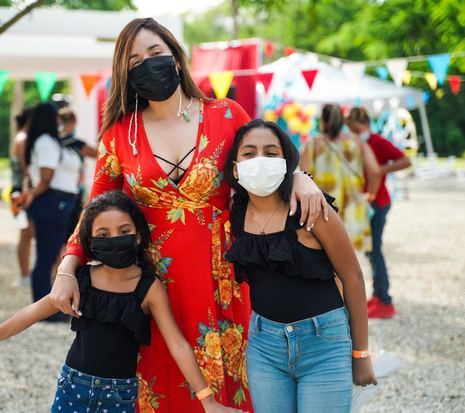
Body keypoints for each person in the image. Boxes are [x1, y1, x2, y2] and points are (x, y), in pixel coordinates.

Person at [49, 18, 331, 411]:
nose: (147, 63)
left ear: (176, 59)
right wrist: (67, 269)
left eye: (155, 53)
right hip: (156, 286)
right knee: (165, 384)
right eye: (134, 60)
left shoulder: (226, 115)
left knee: (240, 386)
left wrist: (300, 176)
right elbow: (94, 210)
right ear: (125, 74)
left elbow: (267, 157)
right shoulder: (119, 135)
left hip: (226, 276)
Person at [0, 191, 245, 413]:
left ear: (138, 235)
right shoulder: (81, 280)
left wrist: (208, 400)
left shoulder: (149, 288)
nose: (115, 239)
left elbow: (178, 344)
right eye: (103, 235)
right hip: (73, 386)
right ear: (90, 240)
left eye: (124, 231)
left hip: (120, 395)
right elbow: (33, 312)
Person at [223, 119, 377, 412]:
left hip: (324, 345)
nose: (260, 161)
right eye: (249, 153)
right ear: (235, 168)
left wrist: (361, 353)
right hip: (264, 347)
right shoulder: (237, 211)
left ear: (286, 164)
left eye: (271, 153)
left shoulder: (312, 209)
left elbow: (353, 277)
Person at [347, 107, 411, 319]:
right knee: (369, 251)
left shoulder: (377, 142)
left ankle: (384, 300)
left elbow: (405, 160)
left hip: (378, 202)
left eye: (356, 129)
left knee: (375, 250)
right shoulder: (355, 144)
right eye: (350, 130)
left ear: (365, 125)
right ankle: (378, 295)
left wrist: (381, 170)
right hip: (364, 203)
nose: (354, 133)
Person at [23, 103, 81, 310]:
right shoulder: (46, 141)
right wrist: (32, 194)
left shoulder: (48, 141)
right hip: (51, 201)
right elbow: (46, 176)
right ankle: (42, 307)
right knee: (46, 256)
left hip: (57, 200)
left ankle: (47, 304)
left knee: (51, 253)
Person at [301, 104, 380, 252]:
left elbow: (305, 179)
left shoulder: (312, 145)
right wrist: (371, 193)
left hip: (324, 210)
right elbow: (375, 171)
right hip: (353, 206)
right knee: (350, 258)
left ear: (322, 122)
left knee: (327, 256)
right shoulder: (357, 142)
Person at [57, 108, 98, 245]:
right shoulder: (76, 143)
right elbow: (99, 154)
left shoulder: (54, 141)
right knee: (71, 227)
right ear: (73, 122)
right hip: (74, 188)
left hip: (56, 187)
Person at [11, 108, 34, 287]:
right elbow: (26, 168)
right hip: (21, 191)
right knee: (25, 233)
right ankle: (24, 274)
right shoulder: (23, 139)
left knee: (26, 232)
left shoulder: (21, 137)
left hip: (20, 190)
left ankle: (25, 273)